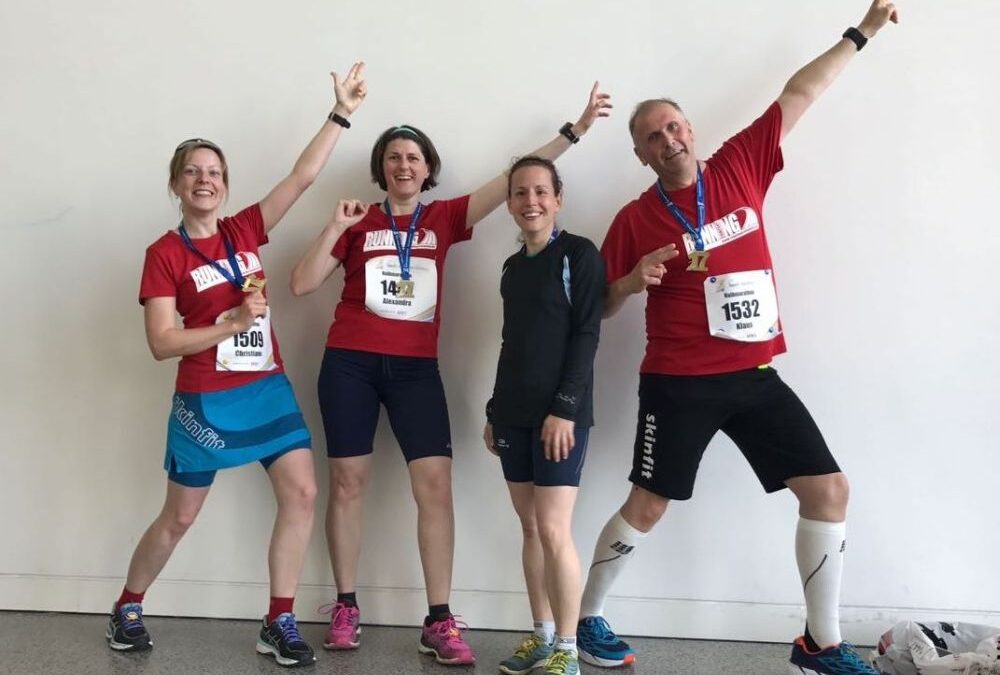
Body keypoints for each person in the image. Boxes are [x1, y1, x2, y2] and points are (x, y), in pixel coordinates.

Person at [574, 3, 899, 674]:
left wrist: (862, 32)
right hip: (678, 381)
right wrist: (630, 281)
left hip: (754, 374)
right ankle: (586, 619)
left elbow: (800, 92)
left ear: (689, 129)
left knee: (829, 489)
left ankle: (820, 644)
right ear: (640, 154)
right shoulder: (634, 218)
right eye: (652, 136)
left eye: (673, 126)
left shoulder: (739, 166)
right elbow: (597, 307)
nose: (667, 139)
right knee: (649, 503)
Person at [289, 84, 611, 666]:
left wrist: (574, 131)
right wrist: (334, 226)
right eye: (393, 157)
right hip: (349, 364)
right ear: (381, 169)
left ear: (428, 168)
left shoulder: (444, 217)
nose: (403, 164)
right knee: (348, 483)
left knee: (435, 487)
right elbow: (301, 284)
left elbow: (514, 179)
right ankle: (346, 606)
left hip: (416, 370)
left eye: (413, 157)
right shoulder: (358, 221)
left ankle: (439, 619)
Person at [107, 62, 368, 668]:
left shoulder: (244, 228)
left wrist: (341, 113)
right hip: (206, 399)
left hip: (267, 387)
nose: (205, 180)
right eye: (193, 172)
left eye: (215, 172)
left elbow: (302, 177)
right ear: (176, 185)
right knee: (180, 516)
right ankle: (127, 606)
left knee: (302, 492)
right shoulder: (164, 254)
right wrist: (227, 325)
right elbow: (161, 342)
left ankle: (279, 619)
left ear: (225, 184)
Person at [483, 156, 605, 675]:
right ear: (510, 203)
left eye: (540, 191)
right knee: (530, 526)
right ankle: (542, 634)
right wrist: (494, 410)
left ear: (557, 199)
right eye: (520, 192)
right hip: (513, 415)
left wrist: (564, 410)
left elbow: (587, 335)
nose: (530, 201)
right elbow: (511, 343)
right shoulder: (512, 268)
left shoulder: (578, 254)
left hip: (561, 418)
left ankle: (568, 650)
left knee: (554, 529)